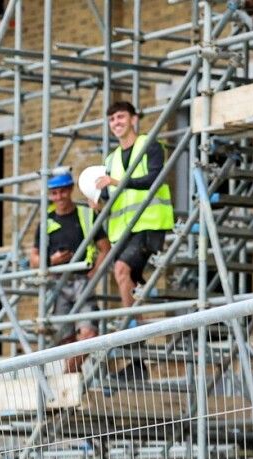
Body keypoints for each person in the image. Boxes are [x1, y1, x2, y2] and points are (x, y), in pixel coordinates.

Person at [93, 100, 174, 314]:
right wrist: (97, 204)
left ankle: (130, 327)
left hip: (148, 224)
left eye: (120, 117)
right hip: (122, 231)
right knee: (127, 277)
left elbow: (154, 179)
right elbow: (108, 200)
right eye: (111, 119)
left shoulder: (150, 145)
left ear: (133, 119)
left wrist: (116, 183)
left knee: (121, 270)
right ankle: (136, 326)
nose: (115, 122)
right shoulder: (111, 160)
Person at [28, 170, 109, 370]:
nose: (59, 197)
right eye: (54, 194)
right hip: (58, 283)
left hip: (82, 280)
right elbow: (33, 260)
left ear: (71, 190)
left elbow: (105, 248)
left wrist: (95, 273)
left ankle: (68, 374)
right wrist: (51, 260)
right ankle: (72, 381)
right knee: (66, 339)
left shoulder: (85, 214)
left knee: (89, 333)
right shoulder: (46, 222)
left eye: (63, 192)